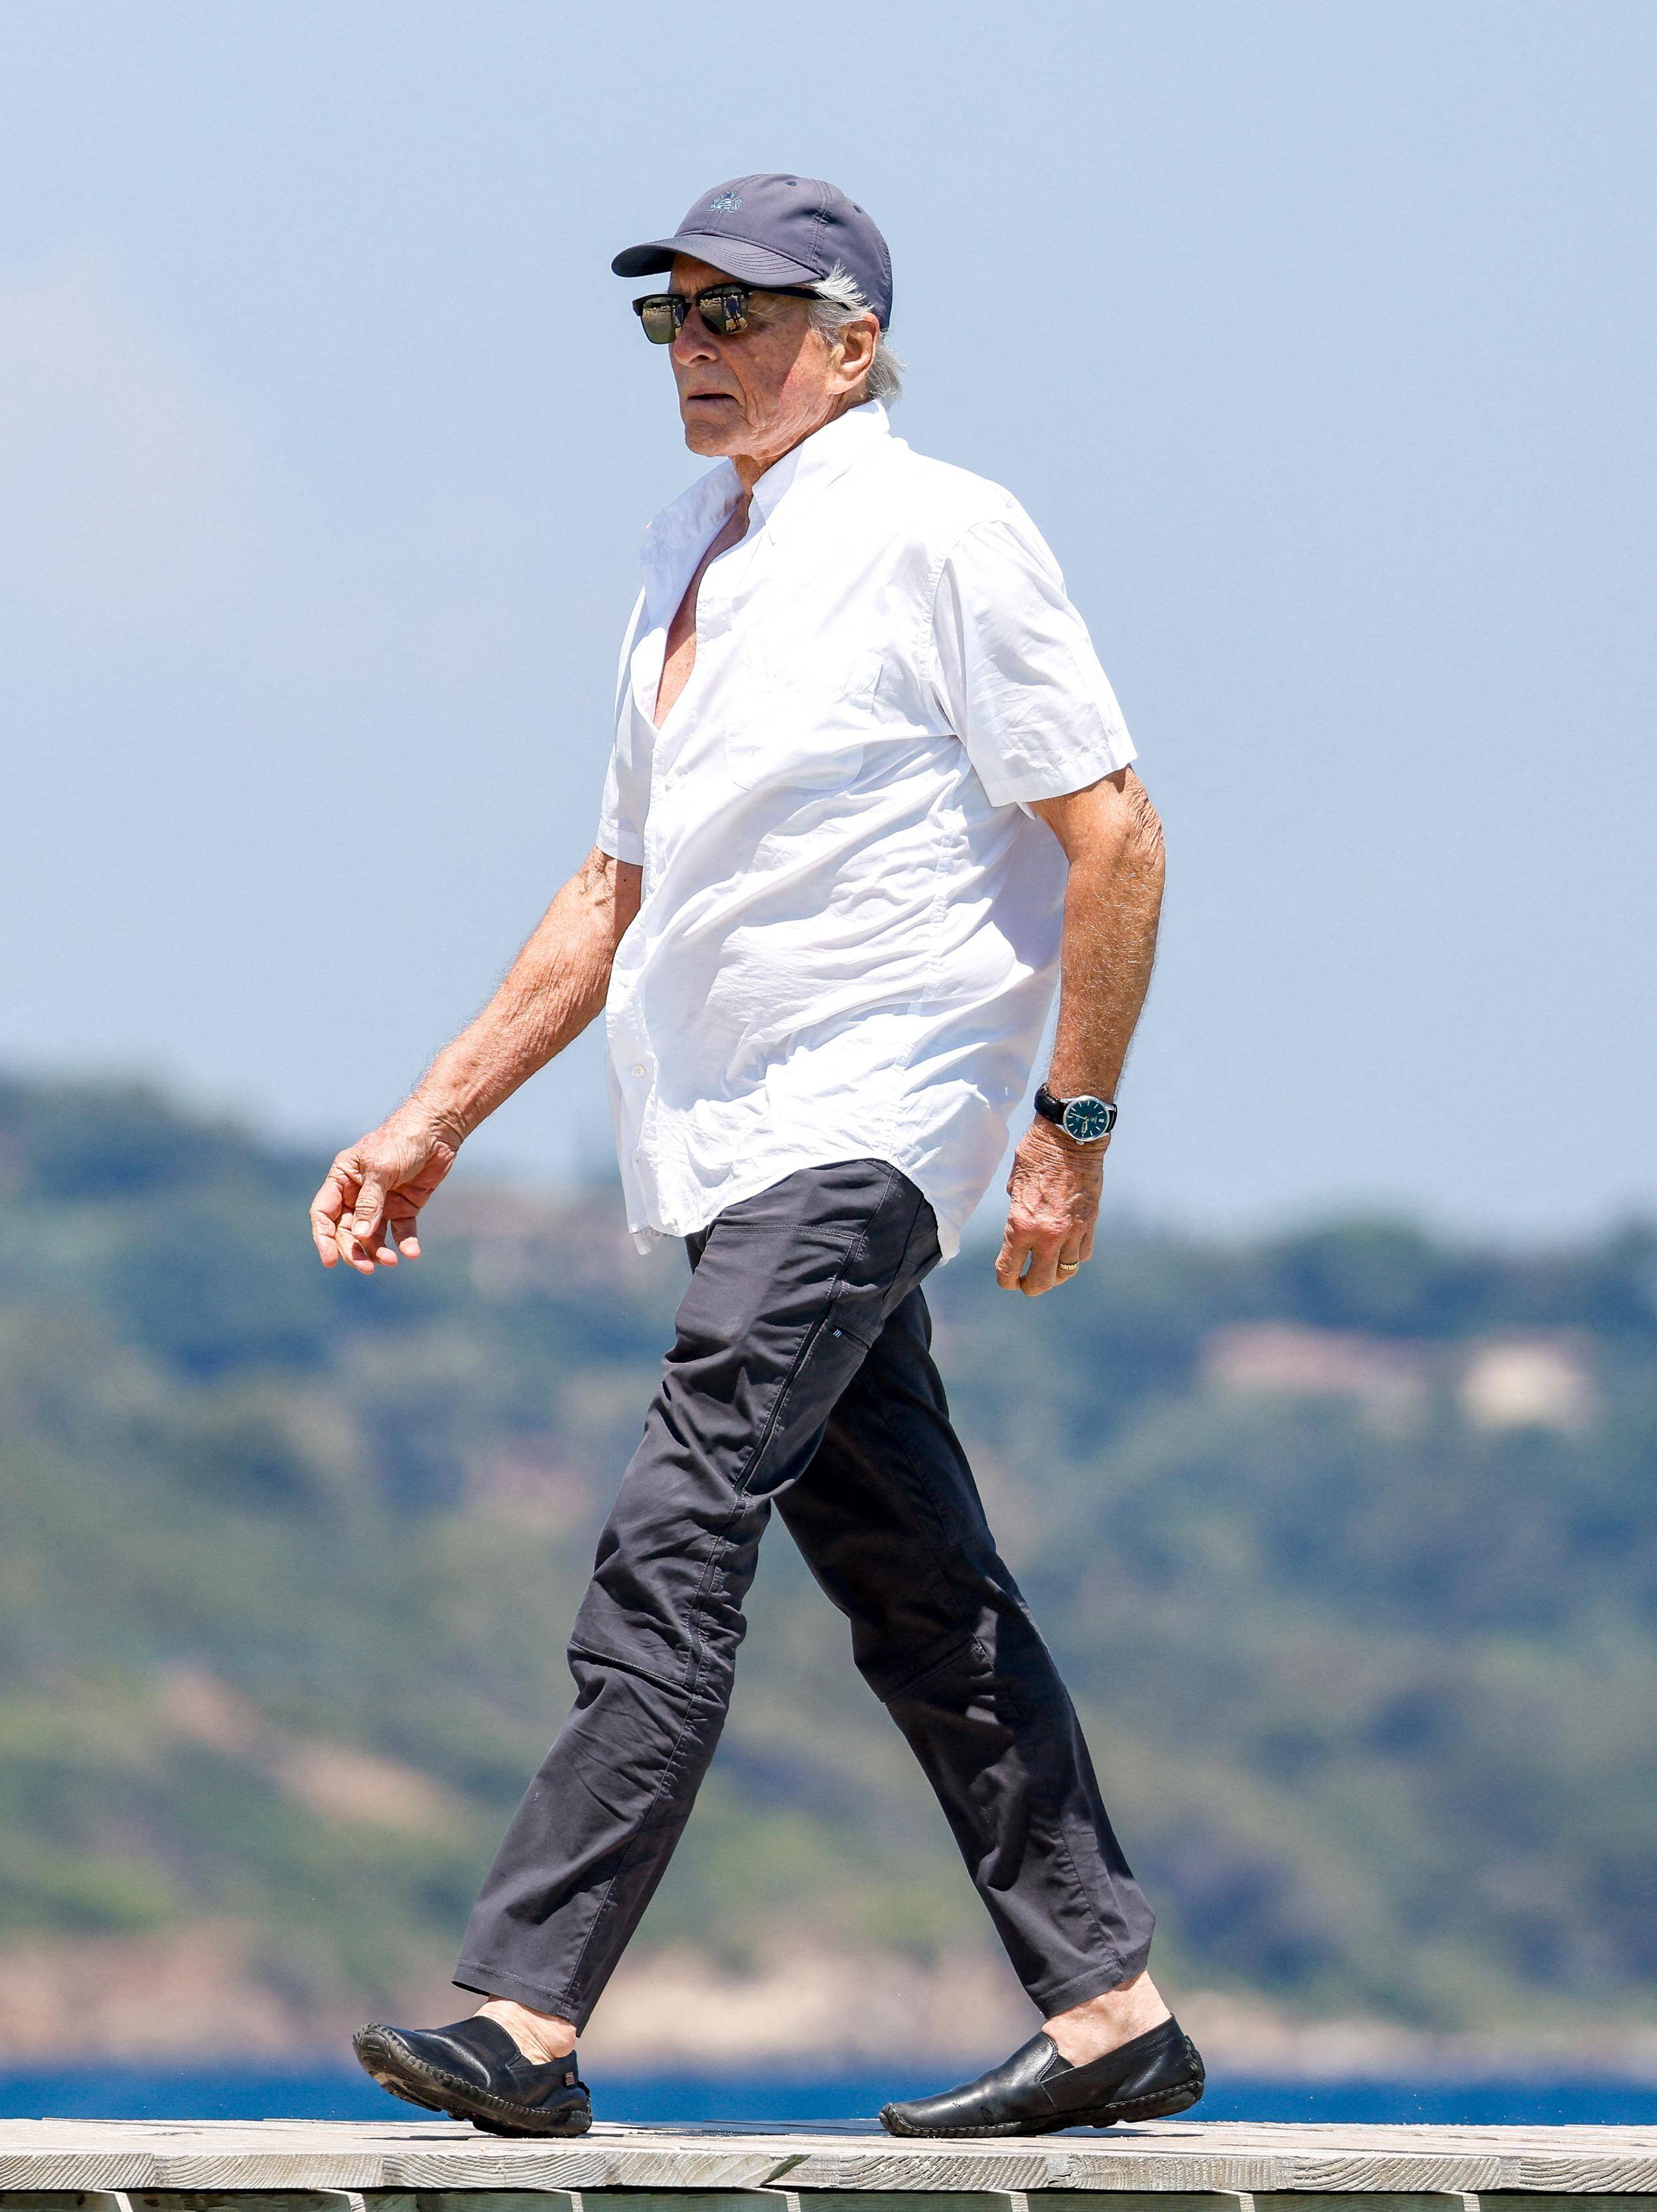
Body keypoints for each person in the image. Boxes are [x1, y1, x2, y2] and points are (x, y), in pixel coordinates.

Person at [313, 174, 1190, 2141]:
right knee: (917, 1581)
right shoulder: (683, 552)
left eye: (743, 315)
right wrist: (431, 1122)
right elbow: (611, 888)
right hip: (724, 1136)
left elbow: (1117, 832)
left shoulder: (946, 532)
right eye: (676, 316)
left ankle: (526, 2015)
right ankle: (1110, 2005)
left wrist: (1070, 1131)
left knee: (679, 1516)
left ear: (851, 347)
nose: (698, 349)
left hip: (875, 1116)